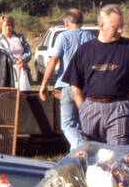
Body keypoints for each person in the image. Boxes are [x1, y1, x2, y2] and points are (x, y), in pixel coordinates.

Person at [67, 4, 129, 146]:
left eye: (122, 26)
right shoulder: (85, 50)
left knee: (116, 157)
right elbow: (75, 84)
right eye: (116, 27)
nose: (121, 30)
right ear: (101, 25)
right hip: (91, 108)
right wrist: (82, 108)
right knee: (93, 156)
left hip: (120, 107)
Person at [37, 8, 94, 150]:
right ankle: (77, 157)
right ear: (81, 22)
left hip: (67, 84)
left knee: (68, 124)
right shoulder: (90, 37)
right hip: (87, 86)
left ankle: (81, 148)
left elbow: (53, 60)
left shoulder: (63, 37)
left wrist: (44, 84)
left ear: (67, 23)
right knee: (82, 123)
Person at [0, 15, 33, 90]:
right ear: (1, 26)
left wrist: (23, 60)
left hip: (23, 70)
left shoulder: (20, 37)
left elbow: (28, 52)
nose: (8, 28)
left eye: (10, 25)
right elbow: (4, 54)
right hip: (9, 73)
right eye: (5, 26)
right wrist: (16, 61)